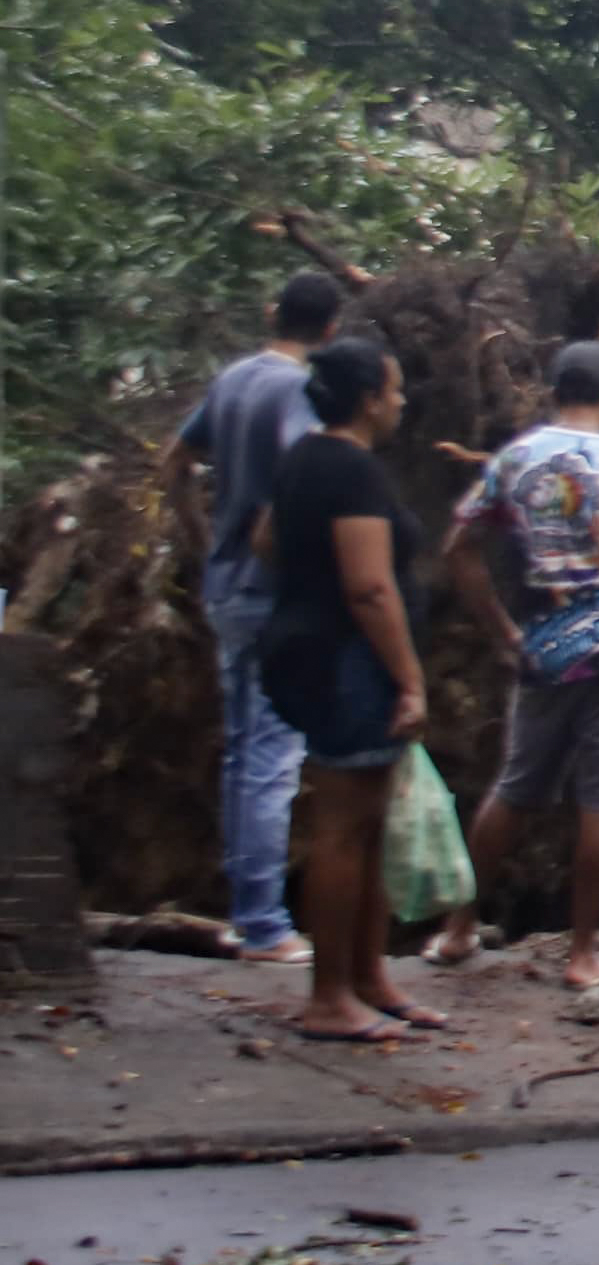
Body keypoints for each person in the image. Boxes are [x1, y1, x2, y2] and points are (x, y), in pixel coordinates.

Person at [431, 342, 599, 990]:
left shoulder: (515, 460)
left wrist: (500, 631)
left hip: (540, 649)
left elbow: (458, 547)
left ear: (552, 390)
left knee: (513, 789)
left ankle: (458, 929)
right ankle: (583, 954)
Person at [257, 337, 445, 1042]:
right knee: (342, 826)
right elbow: (369, 587)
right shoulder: (352, 470)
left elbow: (264, 540)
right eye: (394, 392)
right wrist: (409, 679)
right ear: (369, 399)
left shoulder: (304, 459)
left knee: (368, 823)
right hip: (347, 662)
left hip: (303, 649)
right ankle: (329, 996)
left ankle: (369, 977)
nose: (400, 403)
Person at [163, 269, 348, 965]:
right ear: (331, 329)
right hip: (272, 596)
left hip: (223, 588)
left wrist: (202, 539)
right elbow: (297, 480)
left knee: (244, 753)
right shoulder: (297, 390)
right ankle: (264, 926)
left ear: (274, 312)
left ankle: (246, 913)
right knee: (273, 759)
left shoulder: (235, 379)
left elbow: (175, 460)